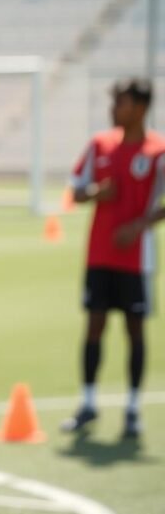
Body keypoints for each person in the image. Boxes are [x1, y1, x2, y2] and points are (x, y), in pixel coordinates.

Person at [62, 77, 164, 439]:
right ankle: (88, 403)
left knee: (135, 330)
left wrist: (138, 227)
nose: (114, 109)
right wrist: (95, 193)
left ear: (139, 108)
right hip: (99, 255)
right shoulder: (99, 145)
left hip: (137, 259)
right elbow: (76, 192)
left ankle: (133, 409)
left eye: (120, 103)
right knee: (94, 325)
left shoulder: (158, 151)